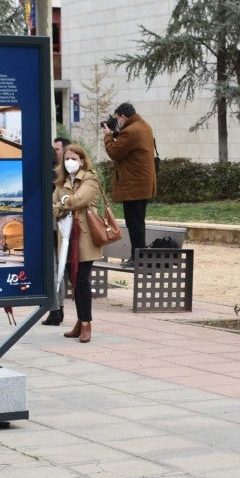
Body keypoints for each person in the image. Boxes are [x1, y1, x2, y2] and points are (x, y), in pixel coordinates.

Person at [53, 143, 103, 343]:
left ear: (82, 160)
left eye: (74, 158)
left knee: (81, 279)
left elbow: (79, 200)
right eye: (66, 159)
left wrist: (62, 204)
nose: (70, 162)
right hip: (66, 238)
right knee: (74, 279)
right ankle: (80, 320)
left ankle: (86, 324)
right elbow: (54, 208)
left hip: (84, 236)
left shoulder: (90, 178)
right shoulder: (61, 182)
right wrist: (63, 205)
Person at [103, 102, 157, 266]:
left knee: (134, 222)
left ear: (123, 116)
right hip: (141, 183)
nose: (117, 121)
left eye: (118, 118)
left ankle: (138, 257)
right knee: (137, 221)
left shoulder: (131, 131)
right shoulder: (143, 126)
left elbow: (114, 152)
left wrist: (108, 135)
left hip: (133, 185)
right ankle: (139, 255)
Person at [42, 136, 70, 326]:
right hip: (62, 226)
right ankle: (58, 307)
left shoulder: (44, 175)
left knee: (51, 268)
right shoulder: (60, 175)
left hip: (49, 224)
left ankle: (54, 310)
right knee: (59, 268)